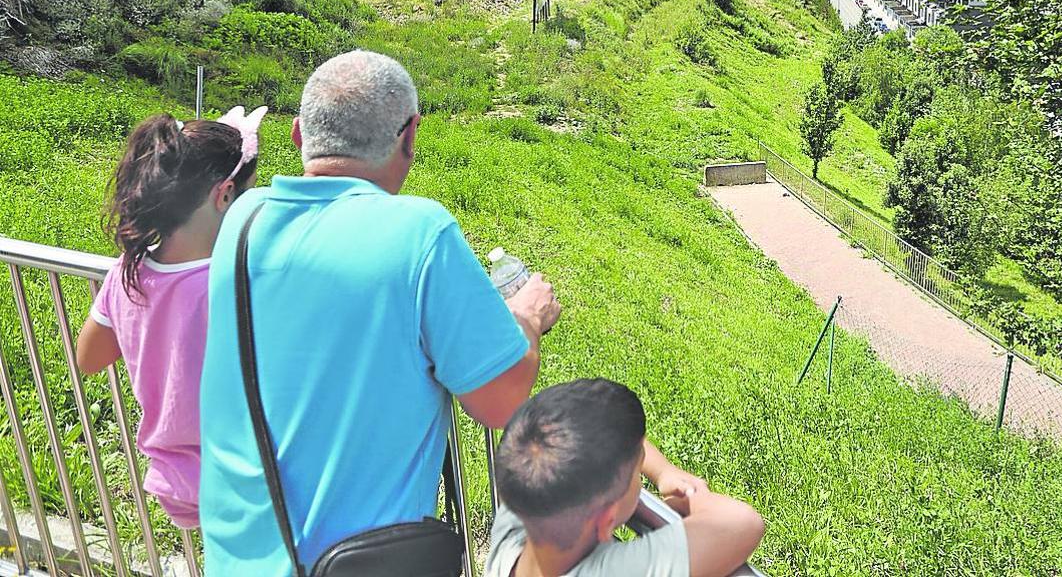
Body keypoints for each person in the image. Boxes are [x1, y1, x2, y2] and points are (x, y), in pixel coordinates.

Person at [199, 50, 560, 574]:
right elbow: (500, 401)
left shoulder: (241, 222)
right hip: (360, 562)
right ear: (411, 135)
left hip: (240, 555)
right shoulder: (419, 234)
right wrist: (526, 318)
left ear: (298, 136)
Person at [76, 106, 266, 528]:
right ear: (225, 194)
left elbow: (89, 358)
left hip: (172, 483)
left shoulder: (128, 273)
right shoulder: (236, 281)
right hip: (241, 480)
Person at [487, 379, 765, 577]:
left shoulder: (520, 511)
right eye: (638, 472)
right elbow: (741, 523)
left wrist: (664, 471)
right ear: (606, 522)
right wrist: (685, 504)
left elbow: (599, 437)